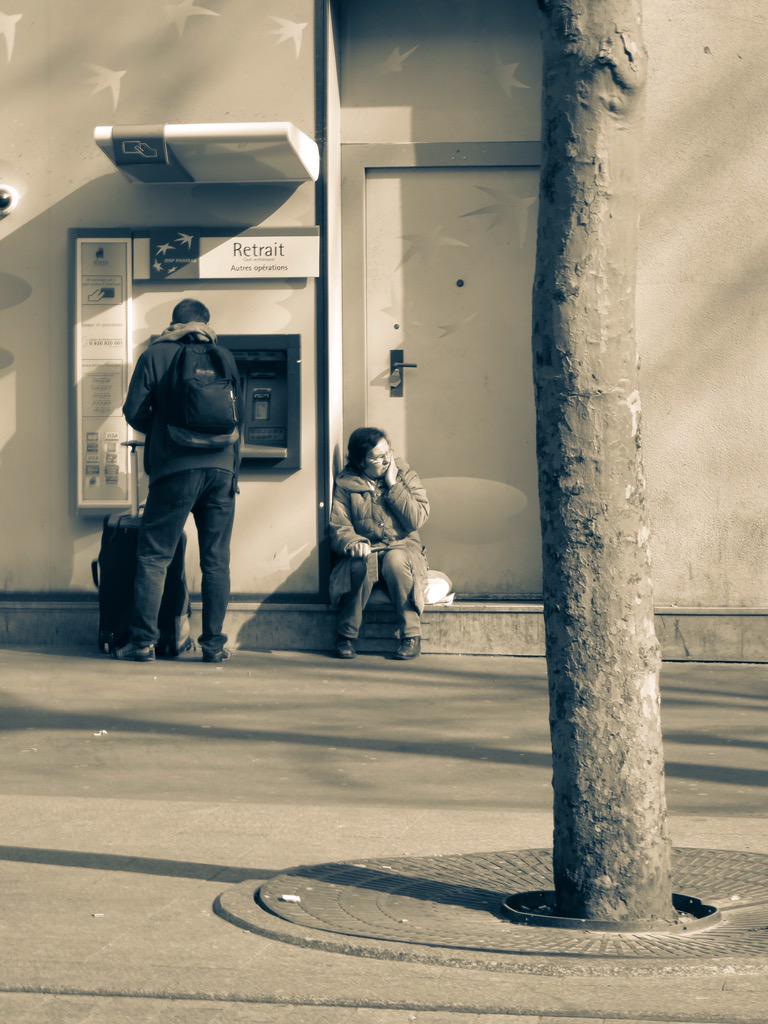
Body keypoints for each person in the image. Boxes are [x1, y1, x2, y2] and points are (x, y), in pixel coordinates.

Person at [114, 298, 240, 663]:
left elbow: (133, 410)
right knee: (216, 560)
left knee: (154, 556)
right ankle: (214, 646)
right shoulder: (224, 356)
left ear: (174, 323)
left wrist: (163, 428)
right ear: (206, 324)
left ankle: (142, 643)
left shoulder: (157, 354)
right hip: (221, 470)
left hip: (175, 468)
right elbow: (238, 415)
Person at [329, 427, 429, 660]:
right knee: (359, 564)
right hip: (370, 549)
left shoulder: (405, 474)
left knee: (396, 560)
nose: (386, 460)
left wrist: (394, 485)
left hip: (403, 548)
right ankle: (346, 636)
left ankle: (411, 635)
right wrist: (354, 542)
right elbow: (339, 526)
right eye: (377, 457)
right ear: (361, 462)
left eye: (388, 453)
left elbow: (418, 518)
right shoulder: (346, 484)